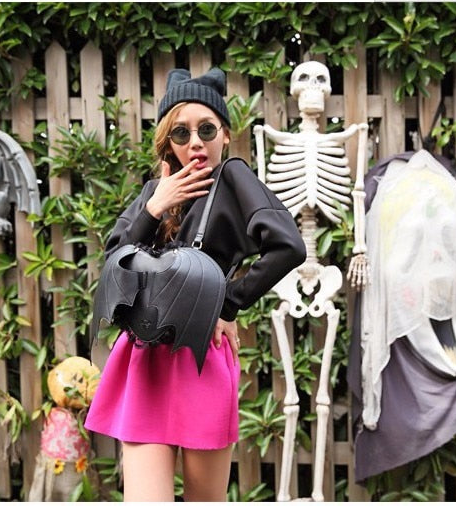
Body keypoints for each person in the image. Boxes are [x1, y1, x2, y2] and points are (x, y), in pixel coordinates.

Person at [84, 67, 306, 501]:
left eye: (206, 129)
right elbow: (114, 264)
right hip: (146, 356)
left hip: (201, 356)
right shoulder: (154, 192)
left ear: (225, 135)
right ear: (168, 142)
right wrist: (154, 208)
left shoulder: (233, 178)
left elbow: (288, 246)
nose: (196, 142)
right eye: (181, 133)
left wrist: (226, 304)